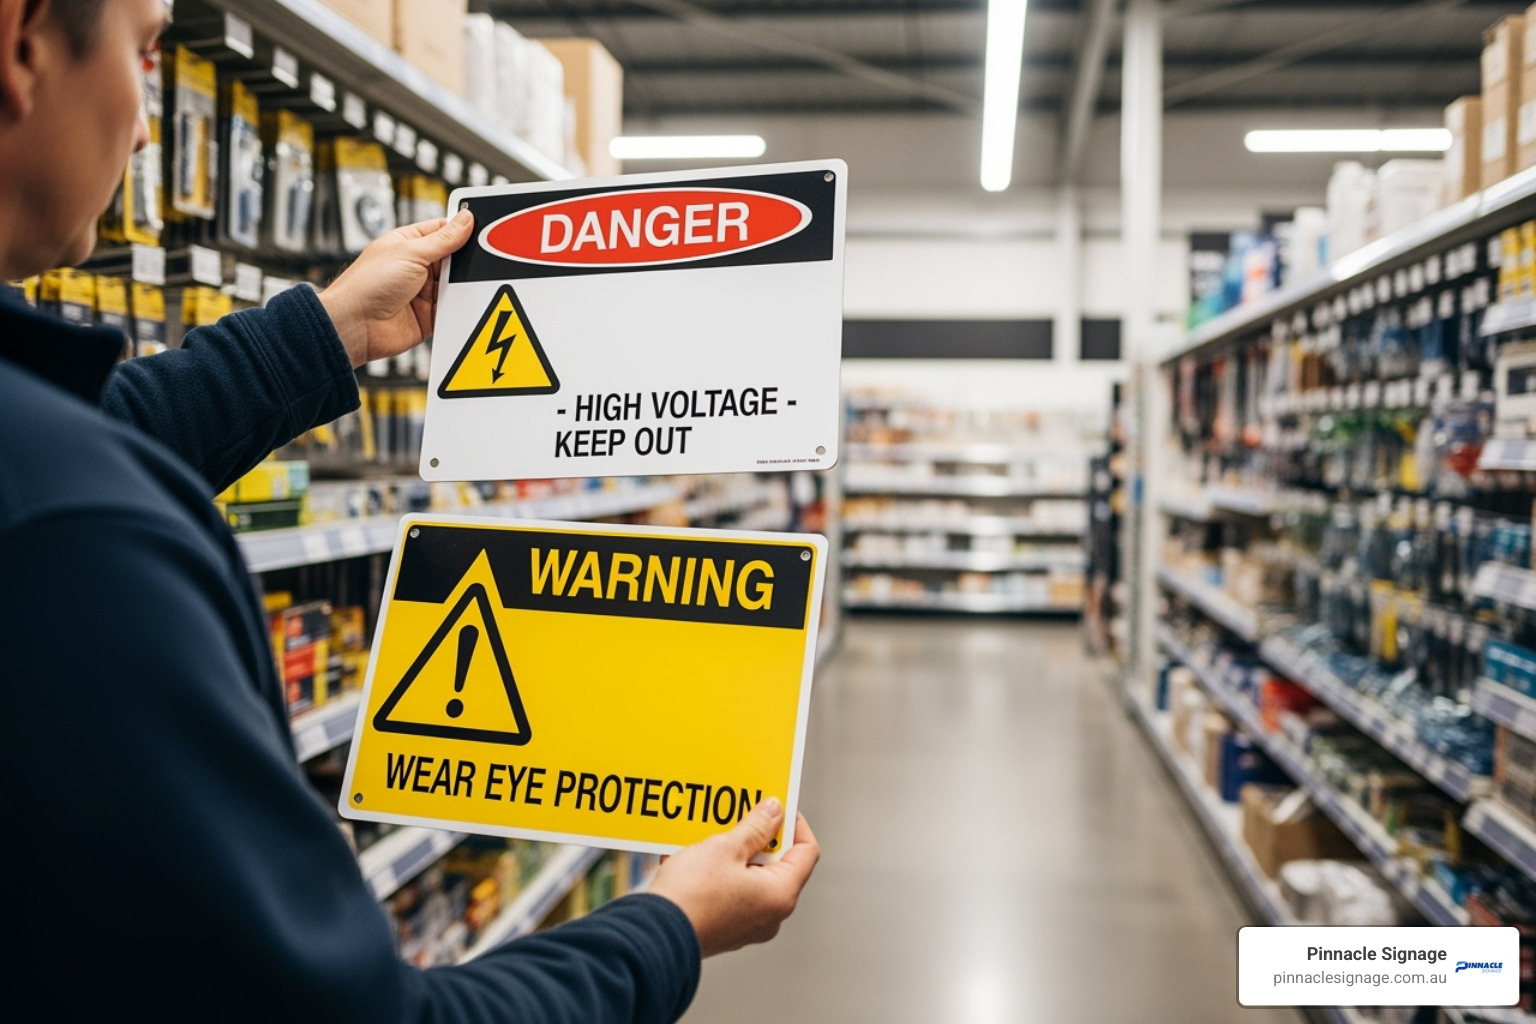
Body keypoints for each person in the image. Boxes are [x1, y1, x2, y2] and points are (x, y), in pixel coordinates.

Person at [0, 0, 820, 1019]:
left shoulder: (55, 477)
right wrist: (667, 925)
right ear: (21, 41)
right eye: (146, 50)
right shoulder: (78, 542)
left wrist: (324, 330)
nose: (148, 124)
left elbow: (94, 430)